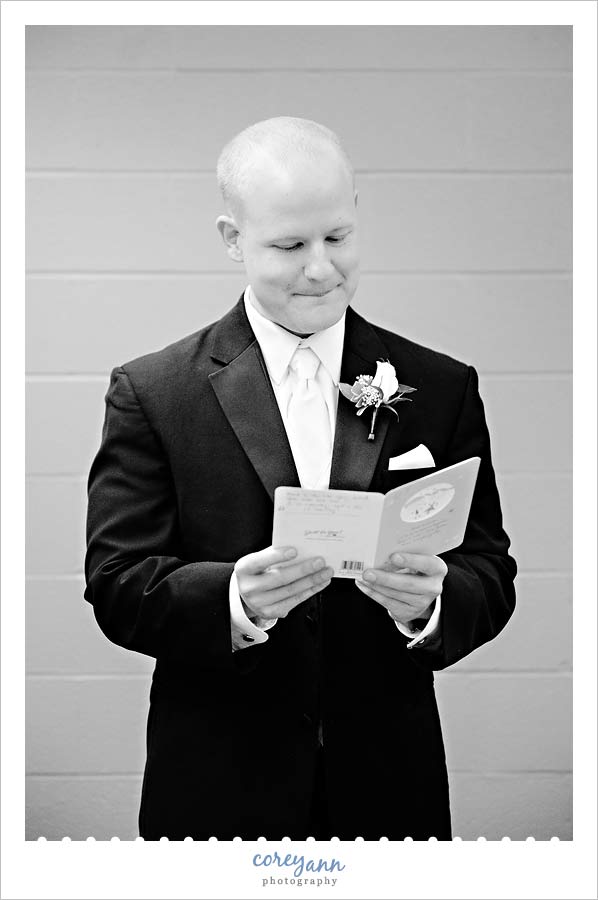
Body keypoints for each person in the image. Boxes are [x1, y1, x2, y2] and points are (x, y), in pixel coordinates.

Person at [84, 116, 516, 841]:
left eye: (338, 237)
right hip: (218, 789)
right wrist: (230, 598)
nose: (321, 268)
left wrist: (434, 604)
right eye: (290, 245)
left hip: (388, 788)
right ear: (232, 239)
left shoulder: (442, 387)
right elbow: (117, 581)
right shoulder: (154, 393)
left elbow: (490, 571)